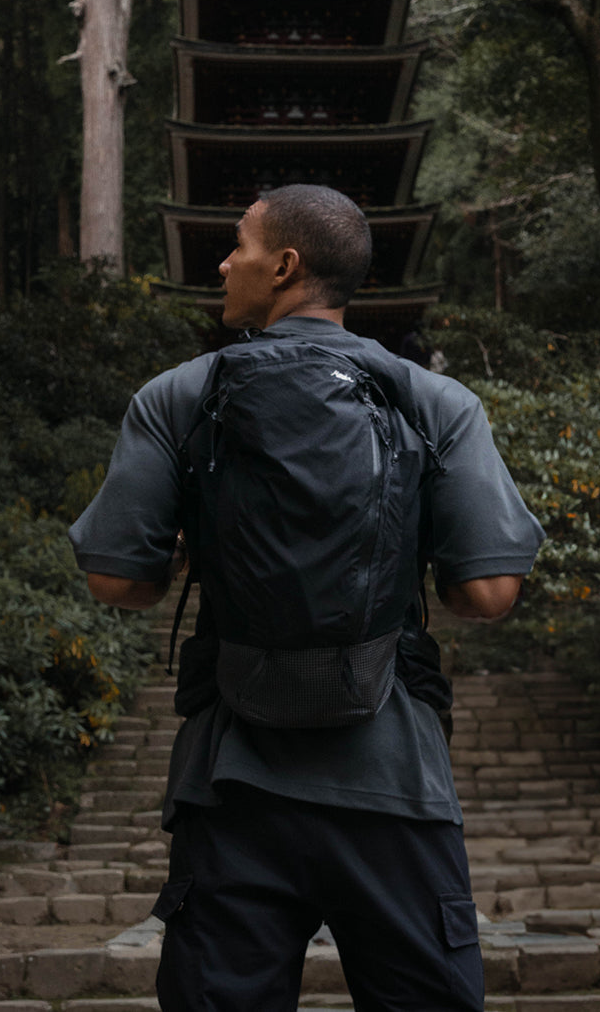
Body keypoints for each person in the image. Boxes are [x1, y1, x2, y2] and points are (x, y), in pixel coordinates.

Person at [69, 184, 545, 1012]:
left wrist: (202, 543)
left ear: (285, 265)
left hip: (234, 785)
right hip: (394, 781)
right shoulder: (435, 401)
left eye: (240, 245)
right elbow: (488, 592)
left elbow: (117, 580)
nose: (224, 262)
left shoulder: (180, 396)